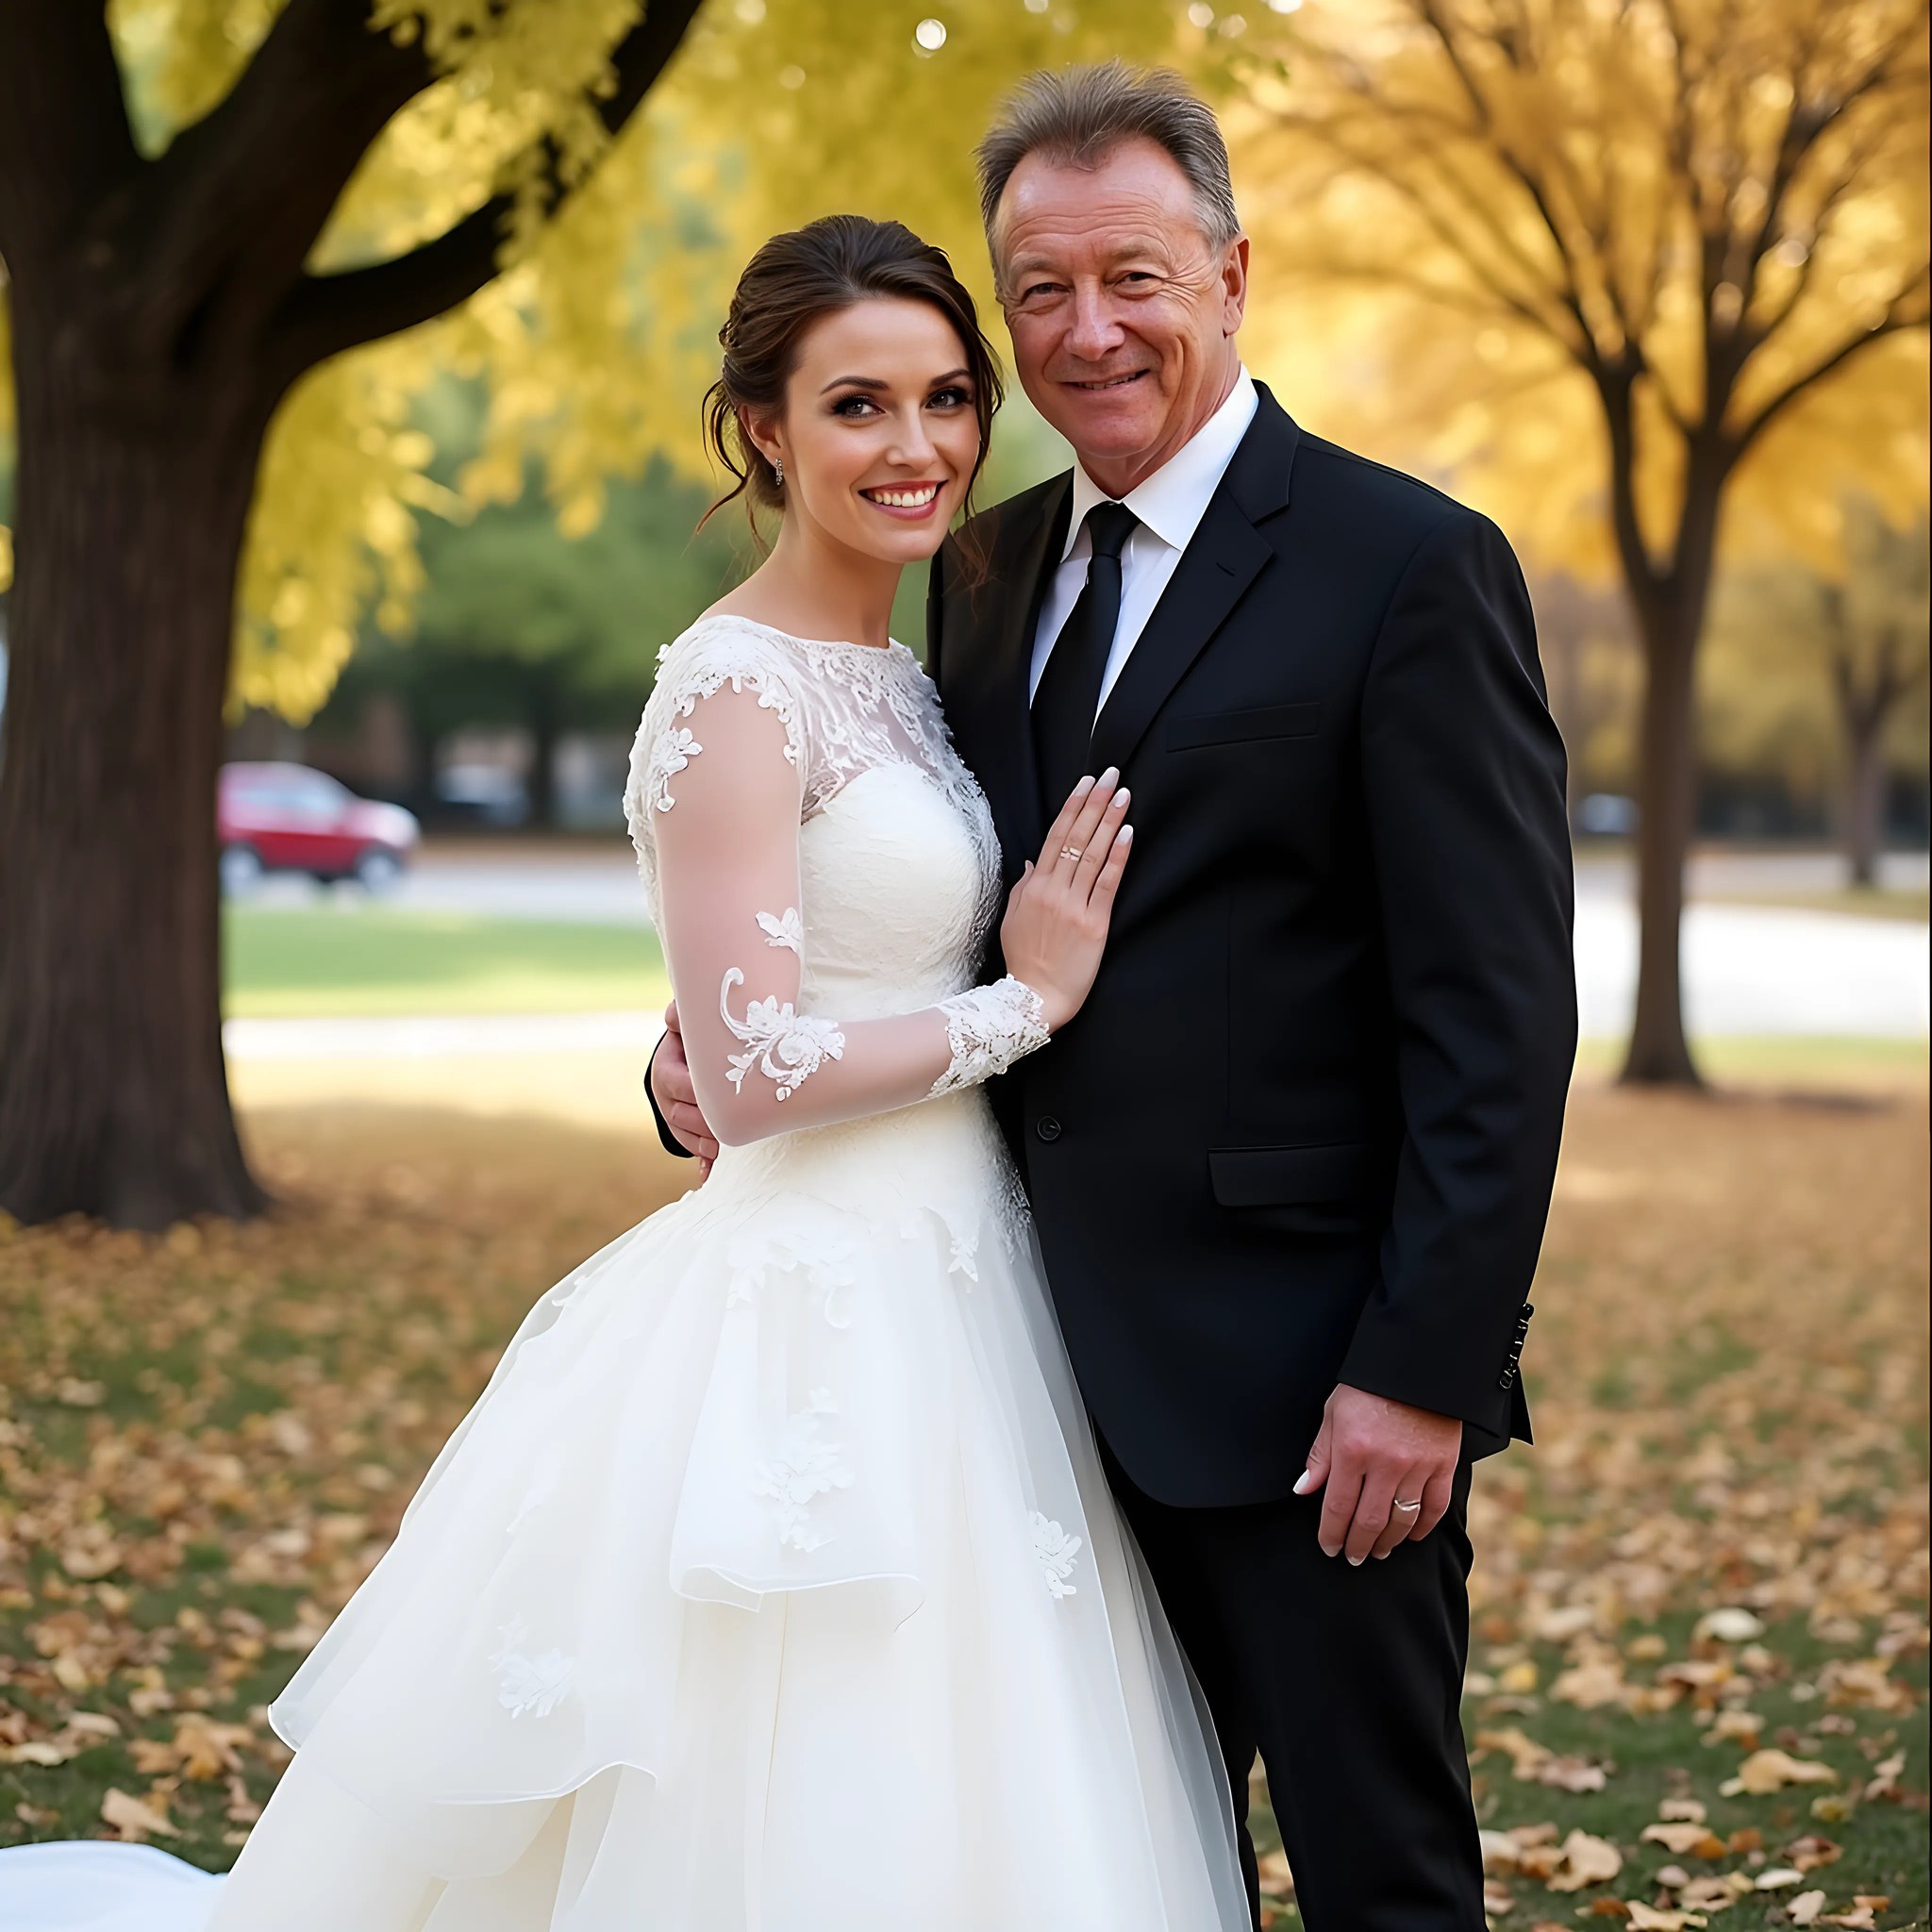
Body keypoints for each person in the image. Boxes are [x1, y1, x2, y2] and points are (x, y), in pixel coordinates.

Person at [0, 217, 1250, 1930]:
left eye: (947, 398)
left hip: (971, 1279)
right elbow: (749, 1074)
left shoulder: (906, 673)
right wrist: (1023, 1005)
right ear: (765, 430)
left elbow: (782, 991)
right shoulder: (732, 686)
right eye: (858, 405)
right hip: (809, 1298)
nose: (917, 445)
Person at [648, 64, 1579, 1932]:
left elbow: (1495, 1015)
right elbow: (905, 898)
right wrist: (713, 1056)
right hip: (1007, 1383)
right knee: (1111, 1881)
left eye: (1134, 277)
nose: (1088, 332)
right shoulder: (978, 569)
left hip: (1304, 1394)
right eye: (1042, 292)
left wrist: (1421, 1371)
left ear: (1229, 274)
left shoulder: (1406, 565)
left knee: (1383, 1876)